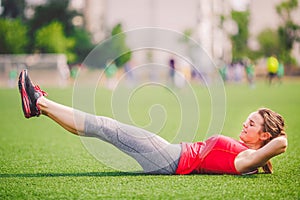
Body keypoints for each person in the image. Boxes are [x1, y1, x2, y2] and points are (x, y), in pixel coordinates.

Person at [18, 69, 288, 175]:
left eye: (252, 124)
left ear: (265, 136)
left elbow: (279, 144)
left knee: (105, 127)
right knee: (104, 128)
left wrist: (277, 141)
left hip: (169, 159)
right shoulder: (248, 156)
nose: (244, 124)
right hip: (170, 153)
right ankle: (39, 105)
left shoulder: (247, 160)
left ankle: (39, 102)